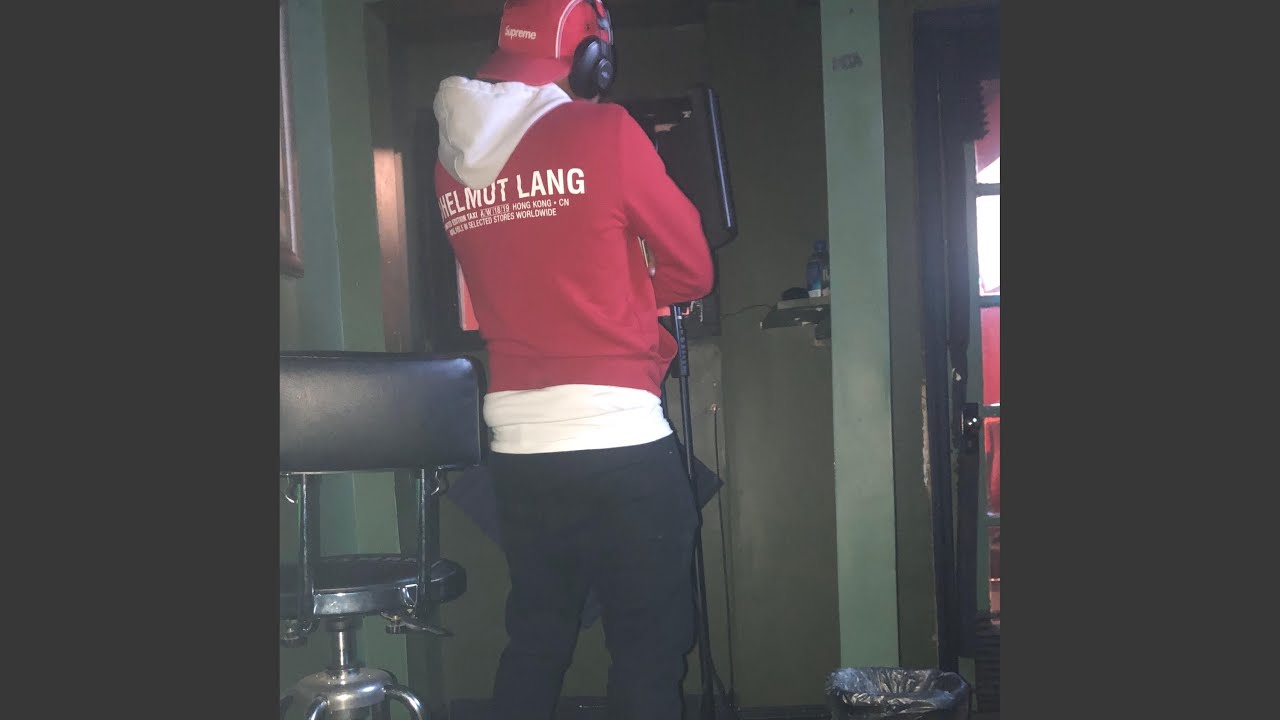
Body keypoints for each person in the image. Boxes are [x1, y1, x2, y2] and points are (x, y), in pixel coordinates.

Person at [431, 1, 715, 718]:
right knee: (647, 654)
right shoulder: (605, 130)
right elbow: (692, 269)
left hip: (519, 449)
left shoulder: (450, 163)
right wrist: (629, 288)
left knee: (536, 640)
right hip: (618, 437)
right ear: (594, 59)